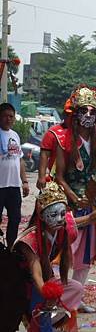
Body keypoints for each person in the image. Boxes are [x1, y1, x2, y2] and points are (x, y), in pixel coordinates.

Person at [13, 181, 96, 332]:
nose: (59, 219)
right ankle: (37, 316)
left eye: (62, 214)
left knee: (75, 287)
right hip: (24, 286)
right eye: (53, 215)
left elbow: (89, 218)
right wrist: (48, 295)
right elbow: (36, 275)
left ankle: (49, 318)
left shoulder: (64, 227)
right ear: (42, 216)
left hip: (45, 280)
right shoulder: (30, 240)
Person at [54, 85, 96, 314]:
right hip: (71, 204)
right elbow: (59, 176)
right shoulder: (64, 139)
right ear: (75, 114)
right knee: (65, 251)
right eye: (84, 111)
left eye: (92, 112)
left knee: (87, 254)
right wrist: (73, 198)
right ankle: (59, 296)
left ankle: (77, 299)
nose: (88, 116)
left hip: (94, 203)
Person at [0, 103, 29, 249]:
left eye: (11, 116)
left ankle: (11, 248)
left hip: (13, 186)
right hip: (0, 186)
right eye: (5, 116)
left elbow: (20, 159)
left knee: (15, 218)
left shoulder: (15, 135)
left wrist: (24, 181)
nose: (8, 119)